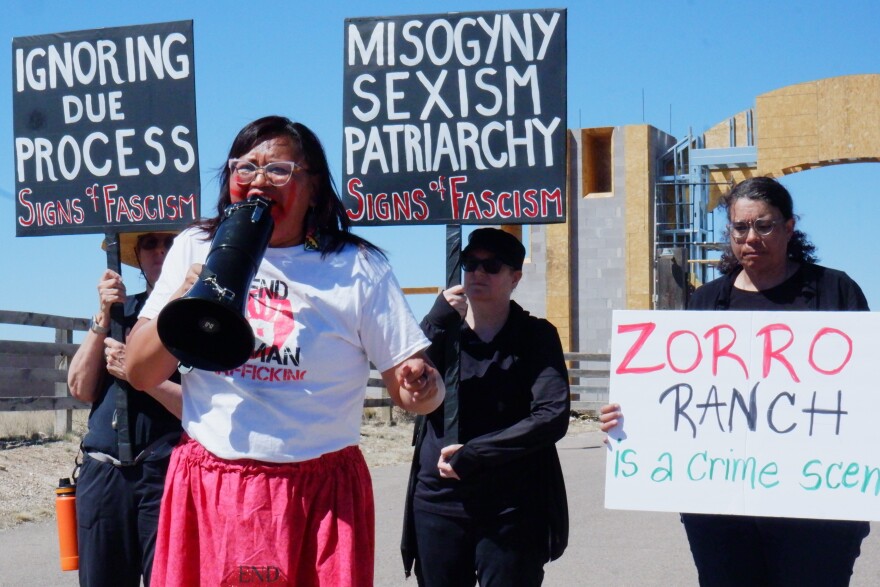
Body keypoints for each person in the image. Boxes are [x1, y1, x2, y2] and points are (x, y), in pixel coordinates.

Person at [125, 115, 444, 587]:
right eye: (245, 168)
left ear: (312, 187)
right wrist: (185, 297)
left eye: (278, 170)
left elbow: (415, 392)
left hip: (320, 494)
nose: (258, 181)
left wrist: (423, 383)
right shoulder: (196, 246)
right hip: (214, 484)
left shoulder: (357, 266)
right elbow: (139, 371)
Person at [600, 176, 870, 586]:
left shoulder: (835, 290)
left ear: (789, 227)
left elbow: (867, 389)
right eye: (740, 227)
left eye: (764, 225)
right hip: (721, 513)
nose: (751, 237)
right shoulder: (707, 301)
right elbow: (678, 397)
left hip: (817, 512)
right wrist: (628, 420)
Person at [402, 228, 570, 587]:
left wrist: (476, 453)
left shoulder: (535, 336)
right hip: (439, 501)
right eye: (470, 263)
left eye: (492, 266)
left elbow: (552, 416)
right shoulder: (440, 332)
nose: (478, 273)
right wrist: (433, 322)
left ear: (515, 278)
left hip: (513, 503)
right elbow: (407, 388)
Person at [67, 231, 182, 587]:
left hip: (165, 470)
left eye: (169, 243)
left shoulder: (193, 318)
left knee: (171, 578)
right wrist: (103, 315)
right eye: (149, 244)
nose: (159, 252)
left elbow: (205, 408)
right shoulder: (121, 314)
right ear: (137, 253)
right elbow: (80, 388)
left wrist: (140, 375)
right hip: (104, 473)